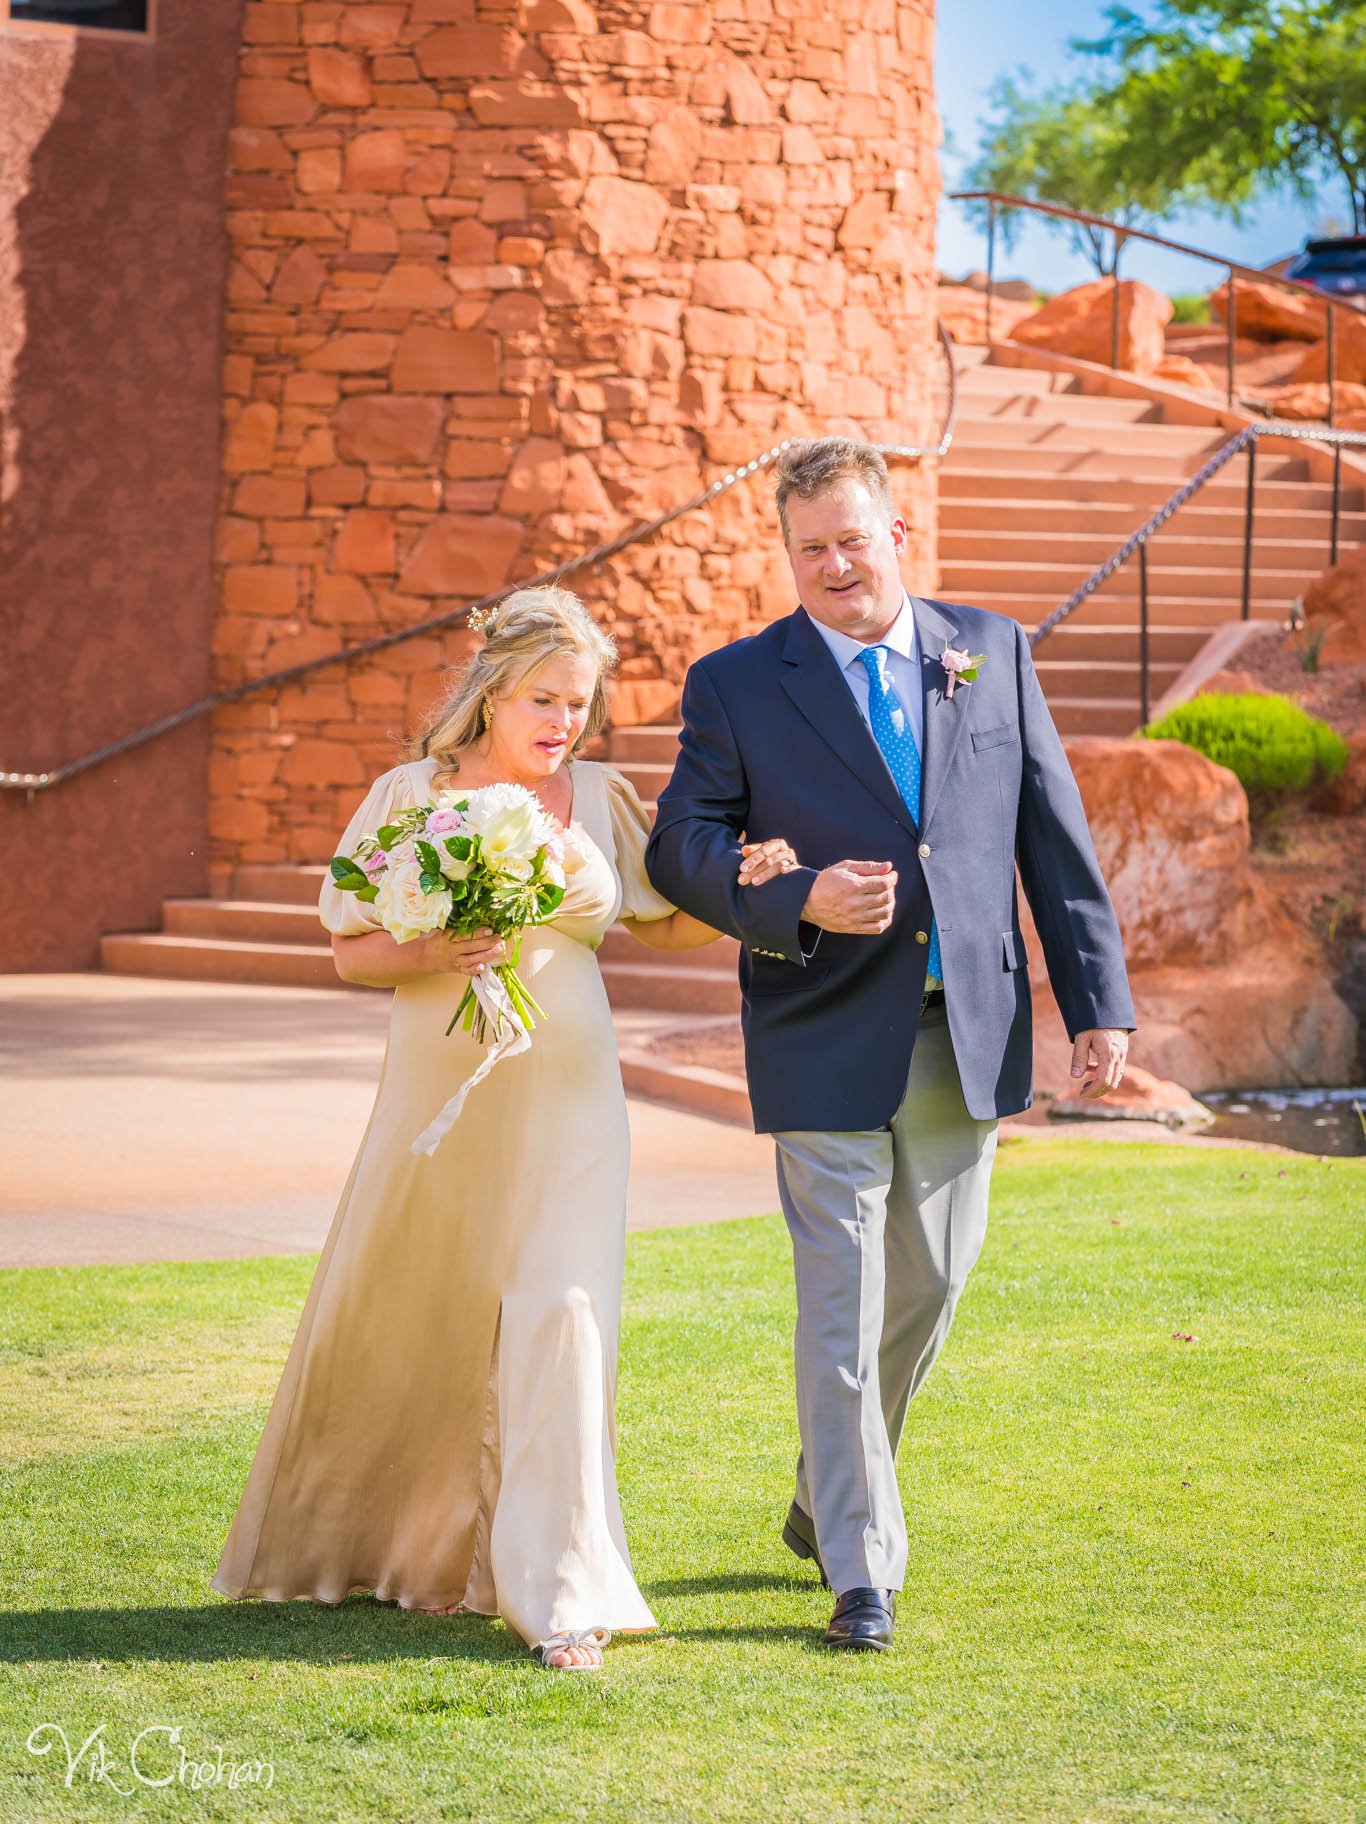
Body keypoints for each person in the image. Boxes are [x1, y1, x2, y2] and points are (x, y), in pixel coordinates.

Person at [210, 586, 796, 1671]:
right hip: (442, 1087)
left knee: (563, 1310)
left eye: (578, 702)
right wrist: (439, 949)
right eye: (543, 697)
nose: (562, 720)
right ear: (490, 691)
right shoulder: (410, 792)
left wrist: (740, 882)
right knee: (422, 1303)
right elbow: (351, 949)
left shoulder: (605, 795)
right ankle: (424, 1553)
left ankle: (558, 1585)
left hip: (574, 1094)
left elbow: (661, 926)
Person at [646, 437, 1135, 1654]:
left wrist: (1099, 1002)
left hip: (960, 1028)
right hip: (816, 1026)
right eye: (807, 547)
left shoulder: (993, 649)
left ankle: (824, 1491)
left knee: (933, 1283)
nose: (830, 565)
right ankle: (863, 1569)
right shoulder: (737, 682)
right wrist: (792, 897)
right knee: (838, 1302)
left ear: (895, 533)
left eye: (850, 539)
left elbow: (1051, 839)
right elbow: (680, 845)